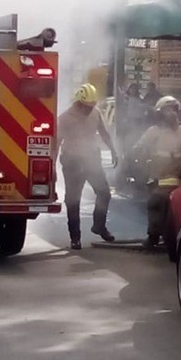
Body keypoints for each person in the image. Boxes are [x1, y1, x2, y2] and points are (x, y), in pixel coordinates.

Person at [57, 83, 117, 250]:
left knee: (104, 193)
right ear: (78, 103)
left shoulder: (95, 113)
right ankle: (75, 237)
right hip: (72, 162)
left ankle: (99, 225)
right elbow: (57, 143)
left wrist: (113, 150)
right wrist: (51, 168)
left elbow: (104, 132)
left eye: (92, 106)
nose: (89, 109)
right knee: (73, 200)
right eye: (86, 107)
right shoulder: (65, 118)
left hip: (92, 159)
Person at [133, 95, 181, 249]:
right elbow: (138, 151)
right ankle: (153, 236)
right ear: (160, 114)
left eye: (174, 110)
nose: (171, 114)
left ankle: (174, 238)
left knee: (174, 210)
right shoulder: (153, 133)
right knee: (155, 204)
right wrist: (139, 165)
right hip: (158, 180)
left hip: (179, 182)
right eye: (168, 110)